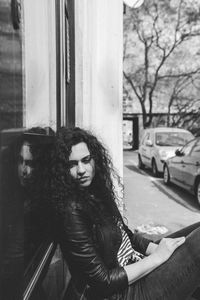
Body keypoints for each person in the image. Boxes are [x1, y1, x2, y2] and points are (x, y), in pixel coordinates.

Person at [49, 126, 200, 300]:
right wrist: (157, 258)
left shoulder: (95, 191)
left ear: (95, 158)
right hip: (125, 292)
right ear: (62, 169)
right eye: (72, 164)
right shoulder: (71, 211)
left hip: (135, 262)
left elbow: (127, 235)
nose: (81, 170)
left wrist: (156, 249)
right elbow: (103, 282)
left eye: (86, 160)